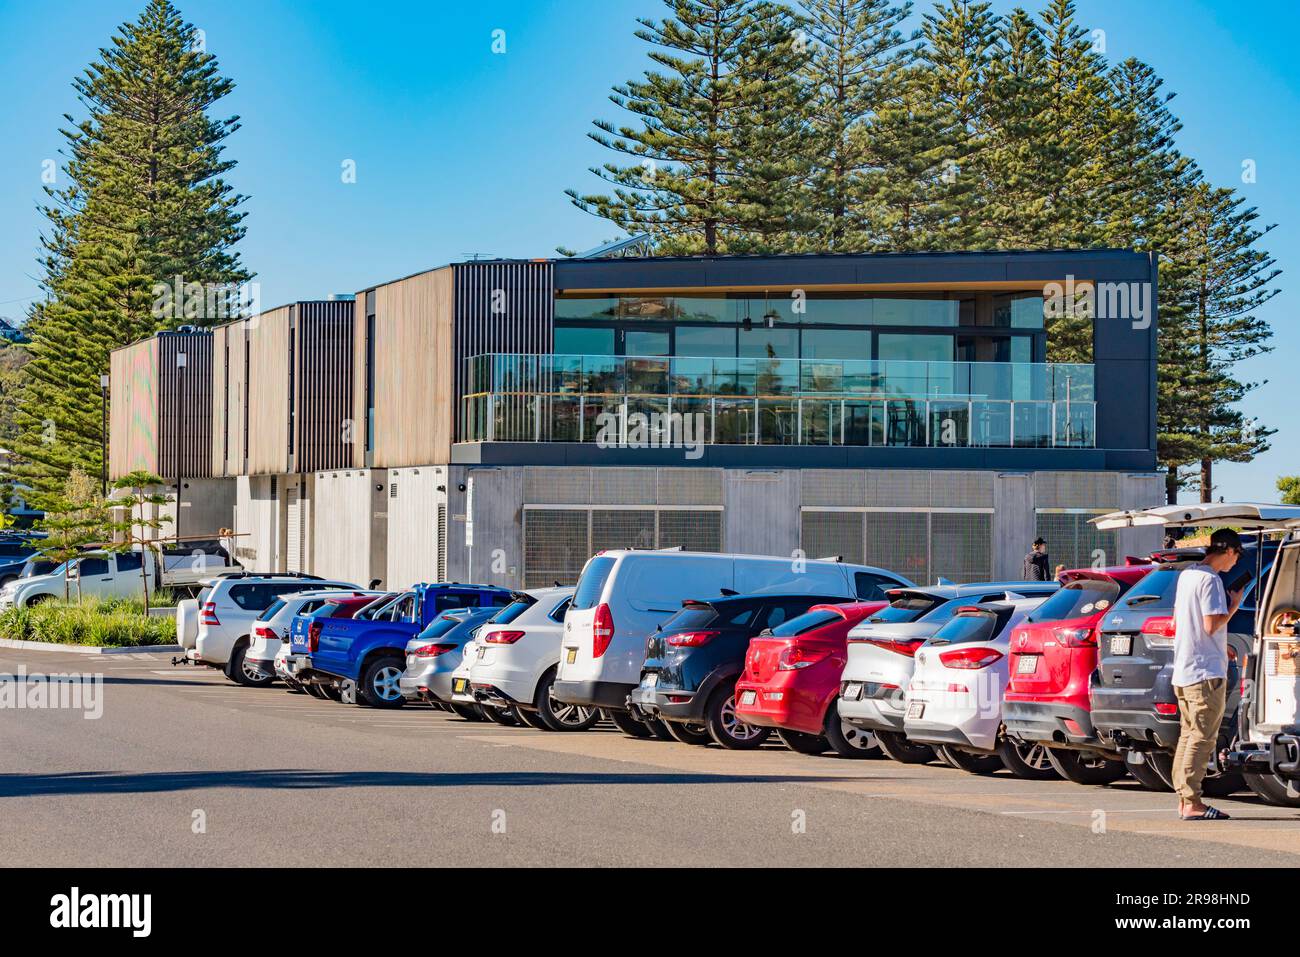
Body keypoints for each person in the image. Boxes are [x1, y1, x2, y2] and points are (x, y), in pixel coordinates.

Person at [1171, 528, 1245, 821]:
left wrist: (1220, 645)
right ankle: (1192, 802)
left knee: (1188, 735)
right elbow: (1212, 623)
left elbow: (1182, 621)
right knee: (1202, 737)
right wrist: (1235, 604)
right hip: (1205, 673)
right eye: (1237, 555)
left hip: (1185, 668)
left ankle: (1183, 798)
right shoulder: (1211, 580)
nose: (1236, 563)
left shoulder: (1188, 575)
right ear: (1228, 550)